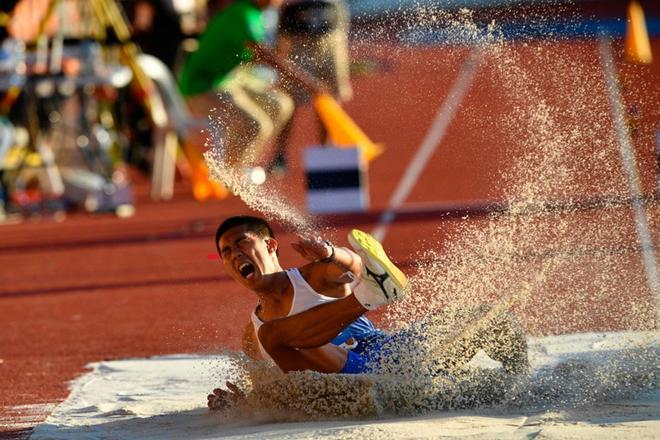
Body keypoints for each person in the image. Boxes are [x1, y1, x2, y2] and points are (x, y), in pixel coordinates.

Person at [207, 215, 529, 410]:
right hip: (350, 396)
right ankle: (368, 296)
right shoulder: (252, 335)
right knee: (270, 335)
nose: (235, 254)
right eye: (227, 252)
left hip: (392, 360)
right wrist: (243, 405)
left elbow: (356, 266)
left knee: (493, 320)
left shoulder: (312, 276)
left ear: (271, 246)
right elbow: (268, 389)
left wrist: (333, 252)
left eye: (241, 243)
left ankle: (522, 385)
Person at [178, 0, 294, 173]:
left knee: (281, 105)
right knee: (256, 125)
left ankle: (237, 167)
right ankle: (228, 176)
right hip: (201, 87)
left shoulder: (256, 15)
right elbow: (263, 55)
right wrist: (308, 82)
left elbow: (264, 56)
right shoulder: (242, 15)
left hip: (227, 82)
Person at [268, 0, 353, 174]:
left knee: (330, 98)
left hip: (331, 38)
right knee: (288, 101)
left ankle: (326, 153)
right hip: (297, 42)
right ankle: (279, 155)